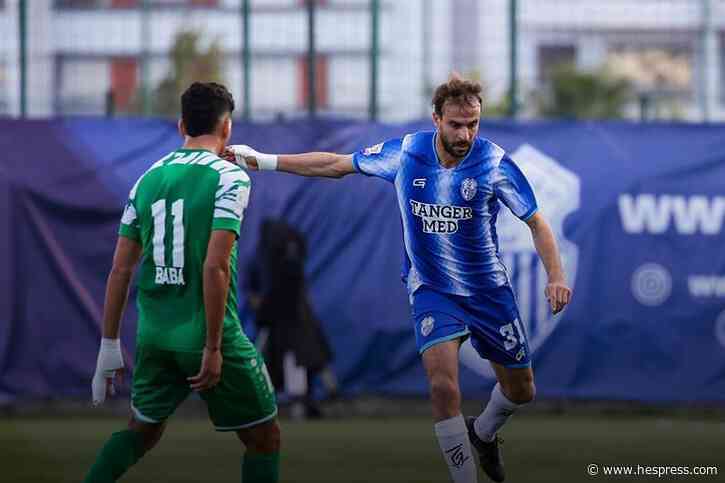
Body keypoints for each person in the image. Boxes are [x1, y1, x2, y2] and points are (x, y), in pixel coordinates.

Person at [225, 74, 572, 483]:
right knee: (443, 389)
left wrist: (556, 275)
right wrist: (263, 160)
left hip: (487, 291)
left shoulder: (494, 163)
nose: (465, 134)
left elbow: (537, 222)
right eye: (456, 125)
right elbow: (336, 165)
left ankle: (483, 433)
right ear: (436, 119)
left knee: (521, 390)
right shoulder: (407, 153)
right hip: (431, 290)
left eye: (473, 124)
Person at [84, 82, 280, 483]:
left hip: (154, 336)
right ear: (227, 128)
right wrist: (212, 346)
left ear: (181, 126)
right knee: (265, 439)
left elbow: (120, 270)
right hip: (208, 334)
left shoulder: (146, 179)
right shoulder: (231, 178)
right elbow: (215, 267)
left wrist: (108, 344)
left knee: (142, 431)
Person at [247, 219, 337, 419]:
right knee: (300, 360)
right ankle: (319, 393)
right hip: (289, 324)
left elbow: (264, 297)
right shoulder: (285, 265)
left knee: (295, 360)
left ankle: (305, 402)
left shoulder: (278, 267)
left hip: (289, 326)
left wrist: (264, 312)